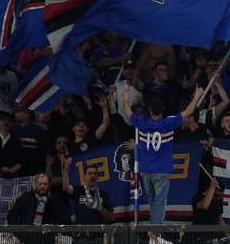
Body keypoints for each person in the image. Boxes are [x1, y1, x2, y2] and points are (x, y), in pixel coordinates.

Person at [123, 83, 203, 228]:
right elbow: (188, 111)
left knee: (154, 203)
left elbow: (128, 113)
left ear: (149, 110)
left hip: (146, 171)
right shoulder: (169, 122)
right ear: (163, 110)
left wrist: (126, 98)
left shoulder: (142, 123)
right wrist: (197, 95)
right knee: (159, 204)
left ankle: (154, 233)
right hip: (161, 171)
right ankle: (155, 235)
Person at [61, 157, 113, 224]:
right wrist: (66, 170)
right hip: (81, 232)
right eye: (90, 173)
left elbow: (111, 217)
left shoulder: (103, 194)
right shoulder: (78, 190)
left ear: (98, 177)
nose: (92, 176)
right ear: (84, 177)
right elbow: (66, 187)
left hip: (98, 232)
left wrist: (99, 207)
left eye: (95, 173)